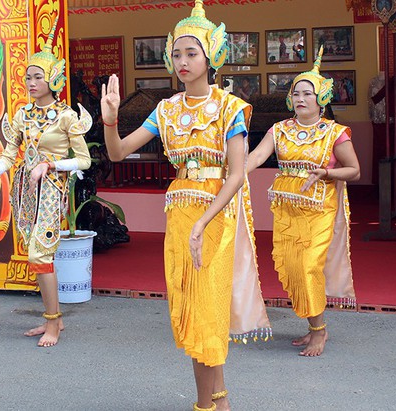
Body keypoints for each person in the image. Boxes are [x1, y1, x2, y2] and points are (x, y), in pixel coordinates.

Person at [101, 2, 271, 410]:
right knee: (193, 310)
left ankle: (206, 406)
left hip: (215, 217)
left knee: (207, 312)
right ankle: (220, 400)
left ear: (211, 56)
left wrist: (203, 222)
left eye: (191, 52)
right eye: (176, 53)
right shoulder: (166, 109)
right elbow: (119, 153)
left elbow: (235, 174)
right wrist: (109, 121)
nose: (183, 61)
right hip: (180, 216)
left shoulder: (231, 108)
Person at [0, 20, 92, 348]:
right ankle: (49, 318)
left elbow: (83, 160)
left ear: (53, 80)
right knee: (36, 255)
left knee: (41, 254)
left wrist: (51, 163)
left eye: (37, 76)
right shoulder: (21, 115)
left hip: (53, 190)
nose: (30, 82)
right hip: (25, 191)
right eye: (27, 76)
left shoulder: (67, 117)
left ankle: (54, 324)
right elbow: (9, 156)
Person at [247, 47, 360, 357]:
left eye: (307, 93)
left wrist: (325, 172)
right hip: (286, 208)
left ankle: (320, 331)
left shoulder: (335, 133)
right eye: (296, 92)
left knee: (310, 265)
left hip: (320, 207)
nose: (300, 98)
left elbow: (354, 169)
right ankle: (312, 327)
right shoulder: (279, 130)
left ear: (320, 99)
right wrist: (230, 173)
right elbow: (257, 156)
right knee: (295, 268)